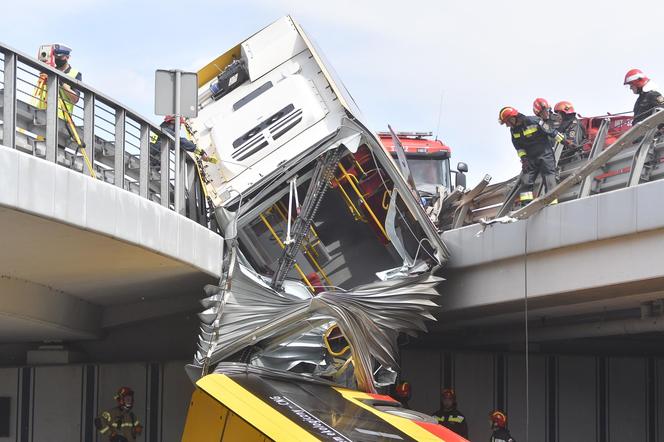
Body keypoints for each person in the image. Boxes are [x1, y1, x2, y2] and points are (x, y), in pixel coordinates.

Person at [499, 106, 564, 205]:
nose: (507, 125)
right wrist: (523, 158)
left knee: (549, 177)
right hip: (530, 158)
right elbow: (518, 147)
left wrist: (565, 142)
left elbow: (552, 132)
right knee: (525, 181)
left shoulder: (534, 121)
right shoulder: (513, 130)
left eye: (507, 122)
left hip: (545, 154)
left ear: (513, 118)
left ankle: (552, 202)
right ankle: (526, 205)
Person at [33, 44, 82, 120]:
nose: (57, 59)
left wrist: (60, 81)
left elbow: (75, 99)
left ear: (68, 57)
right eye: (55, 56)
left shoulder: (74, 74)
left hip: (61, 119)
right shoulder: (49, 71)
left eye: (60, 57)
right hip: (41, 116)